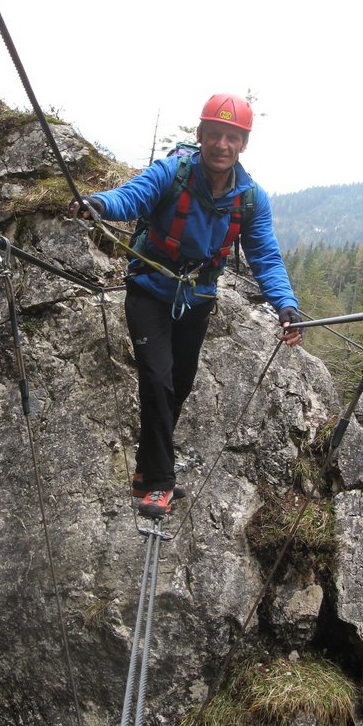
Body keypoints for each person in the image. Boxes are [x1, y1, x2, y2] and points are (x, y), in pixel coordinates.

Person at [74, 93, 302, 518]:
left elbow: (266, 257)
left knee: (178, 385)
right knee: (157, 379)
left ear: (243, 144)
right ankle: (159, 482)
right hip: (149, 290)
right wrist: (100, 203)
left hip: (196, 299)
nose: (221, 144)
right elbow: (133, 196)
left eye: (231, 137)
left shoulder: (250, 199)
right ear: (200, 135)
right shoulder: (173, 172)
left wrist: (285, 305)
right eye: (214, 134)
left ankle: (146, 470)